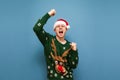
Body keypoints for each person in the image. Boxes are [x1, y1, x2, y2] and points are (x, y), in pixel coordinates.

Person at [33, 9, 79, 80]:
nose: (60, 27)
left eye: (63, 26)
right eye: (58, 26)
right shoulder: (48, 40)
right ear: (55, 30)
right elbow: (36, 28)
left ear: (66, 29)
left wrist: (74, 51)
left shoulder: (70, 46)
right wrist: (49, 14)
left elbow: (73, 65)